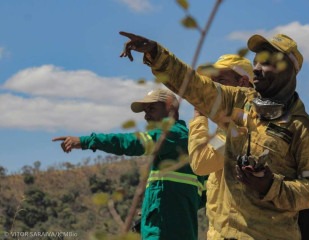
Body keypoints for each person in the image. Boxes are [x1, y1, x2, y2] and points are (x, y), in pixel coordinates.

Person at [119, 32, 309, 239]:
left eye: (267, 63)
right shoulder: (237, 102)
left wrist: (271, 186)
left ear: (288, 70)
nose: (258, 69)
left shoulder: (304, 129)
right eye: (256, 63)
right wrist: (157, 54)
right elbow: (195, 86)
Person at [52, 88, 205, 240]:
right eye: (145, 111)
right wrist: (160, 211)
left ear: (170, 107)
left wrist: (86, 141)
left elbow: (133, 143)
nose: (146, 116)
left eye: (151, 109)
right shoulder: (187, 142)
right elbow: (202, 193)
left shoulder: (172, 134)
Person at [188, 54, 254, 240]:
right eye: (212, 81)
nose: (212, 88)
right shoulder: (231, 125)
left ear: (242, 82)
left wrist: (199, 115)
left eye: (221, 81)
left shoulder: (241, 127)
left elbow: (201, 163)